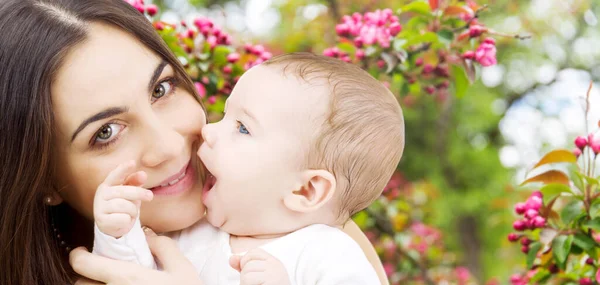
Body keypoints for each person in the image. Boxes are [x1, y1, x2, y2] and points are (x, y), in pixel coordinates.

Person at [0, 0, 389, 284]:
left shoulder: (307, 231)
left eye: (161, 88)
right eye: (106, 132)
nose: (169, 146)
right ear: (43, 178)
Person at [92, 53, 405, 285]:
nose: (209, 131)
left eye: (242, 128)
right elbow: (130, 277)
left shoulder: (327, 254)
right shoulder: (191, 233)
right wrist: (118, 233)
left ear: (304, 190)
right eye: (225, 115)